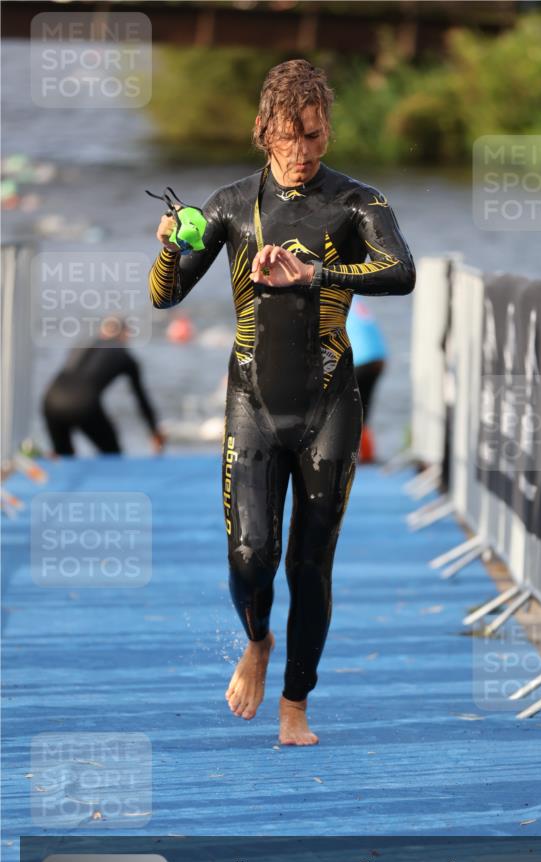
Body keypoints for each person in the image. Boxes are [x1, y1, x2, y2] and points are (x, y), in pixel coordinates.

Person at [148, 59, 415, 745]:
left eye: (315, 137)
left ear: (327, 133)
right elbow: (164, 295)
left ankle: (295, 703)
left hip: (329, 405)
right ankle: (257, 640)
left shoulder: (358, 203)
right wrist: (168, 248)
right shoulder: (234, 204)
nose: (301, 154)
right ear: (262, 132)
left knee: (309, 563)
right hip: (253, 405)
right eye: (289, 138)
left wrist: (314, 274)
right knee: (250, 554)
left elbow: (401, 270)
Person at [42, 316, 165, 457]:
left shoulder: (83, 344)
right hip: (82, 404)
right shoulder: (124, 355)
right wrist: (154, 431)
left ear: (104, 331)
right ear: (124, 334)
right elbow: (141, 399)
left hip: (50, 399)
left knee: (64, 458)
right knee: (113, 457)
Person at [346, 299, 388, 463]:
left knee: (348, 410)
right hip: (378, 357)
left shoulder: (329, 295)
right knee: (362, 409)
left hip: (360, 358)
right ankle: (367, 455)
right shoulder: (354, 297)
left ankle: (358, 457)